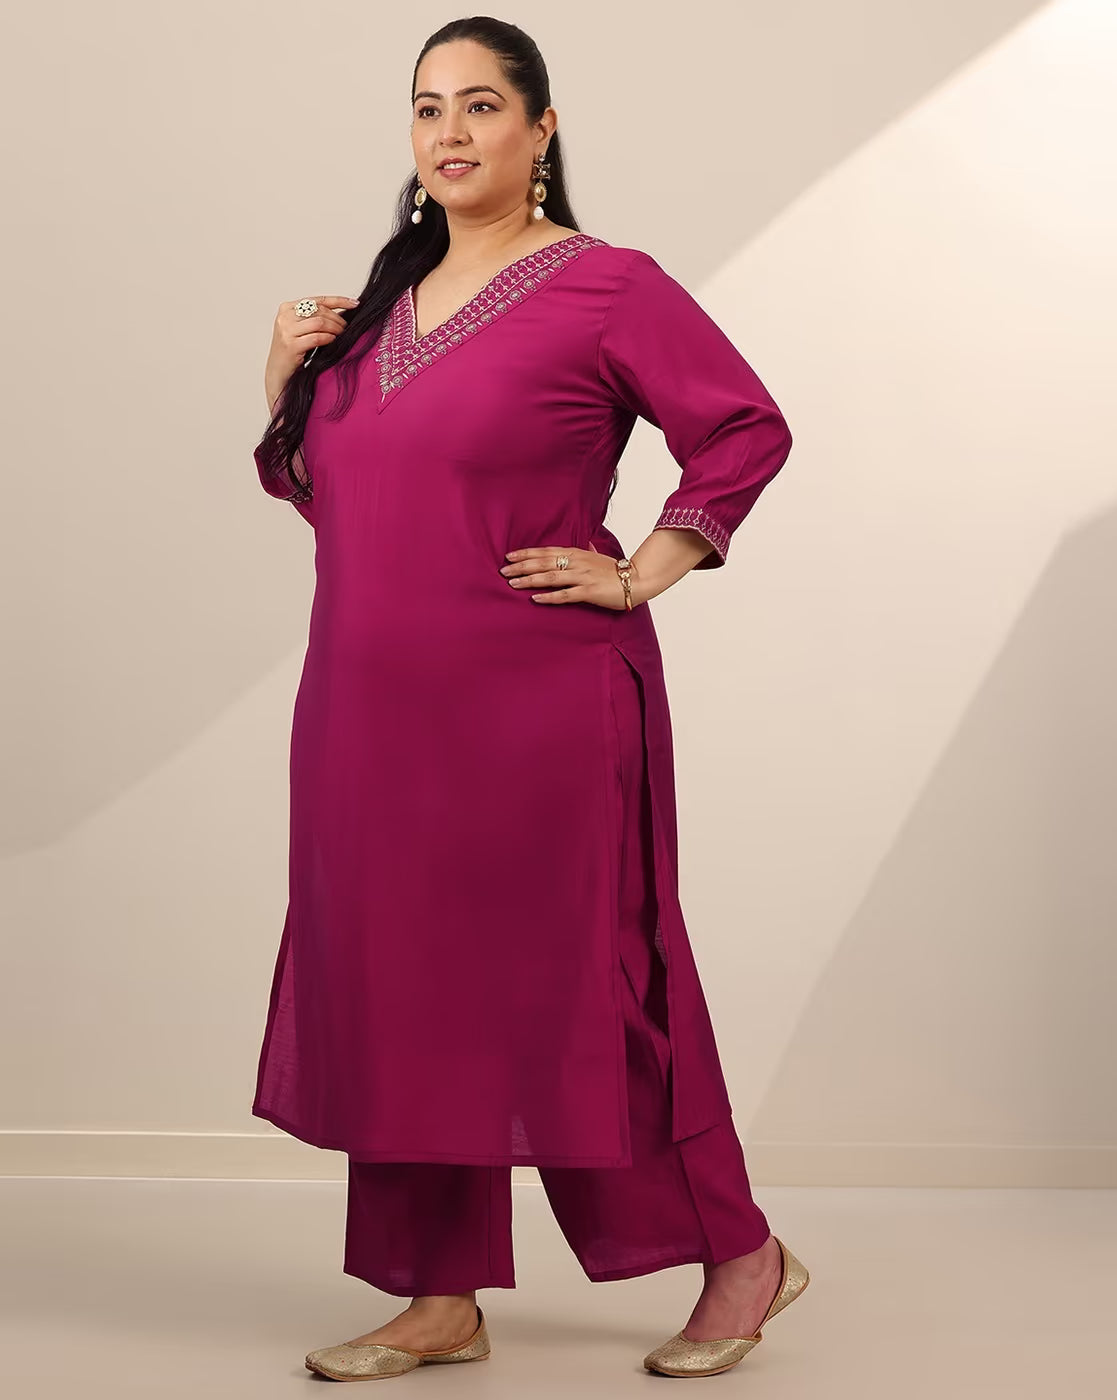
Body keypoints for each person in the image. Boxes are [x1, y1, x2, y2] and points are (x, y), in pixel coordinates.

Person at [251, 15, 810, 1383]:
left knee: (592, 986)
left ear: (540, 128)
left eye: (481, 104)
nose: (448, 132)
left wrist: (646, 568)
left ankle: (740, 1250)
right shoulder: (375, 315)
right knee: (401, 990)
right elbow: (350, 503)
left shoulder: (606, 286)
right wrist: (283, 385)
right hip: (368, 721)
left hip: (537, 711)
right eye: (426, 107)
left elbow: (744, 425)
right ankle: (436, 1294)